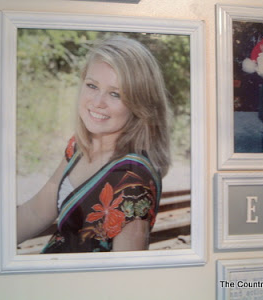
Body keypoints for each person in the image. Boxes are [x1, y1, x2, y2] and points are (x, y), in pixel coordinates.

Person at [16, 35, 171, 253]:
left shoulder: (134, 177)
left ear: (139, 103)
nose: (97, 102)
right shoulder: (80, 145)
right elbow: (37, 212)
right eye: (92, 85)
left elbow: (125, 272)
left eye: (115, 94)